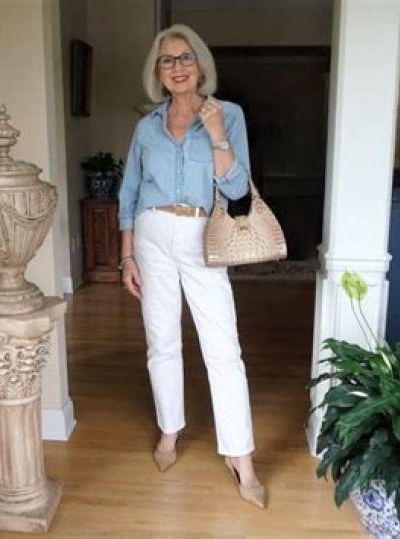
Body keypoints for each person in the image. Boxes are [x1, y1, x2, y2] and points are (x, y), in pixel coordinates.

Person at [117, 24, 265, 509]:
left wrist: (218, 135)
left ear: (201, 65)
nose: (177, 67)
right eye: (167, 60)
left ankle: (241, 455)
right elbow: (129, 193)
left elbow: (239, 192)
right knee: (161, 340)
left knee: (223, 348)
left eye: (185, 58)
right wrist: (126, 254)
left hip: (203, 236)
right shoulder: (146, 127)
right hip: (151, 236)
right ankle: (169, 429)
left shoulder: (229, 115)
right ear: (157, 72)